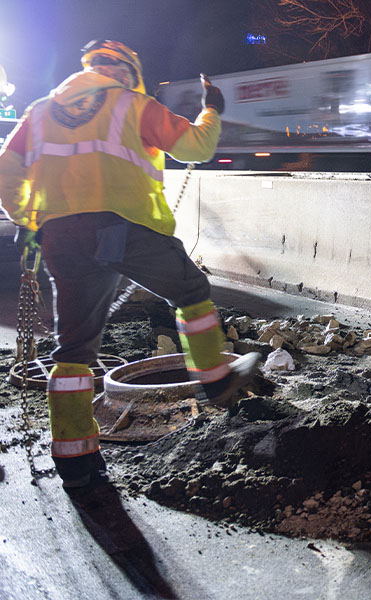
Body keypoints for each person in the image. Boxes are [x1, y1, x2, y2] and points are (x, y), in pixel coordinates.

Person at [0, 40, 260, 489]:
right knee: (191, 291)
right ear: (124, 72)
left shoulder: (40, 112)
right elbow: (196, 147)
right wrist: (212, 110)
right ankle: (215, 378)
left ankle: (74, 457)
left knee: (74, 348)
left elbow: (8, 169)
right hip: (122, 227)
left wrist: (28, 220)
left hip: (61, 236)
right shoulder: (130, 104)